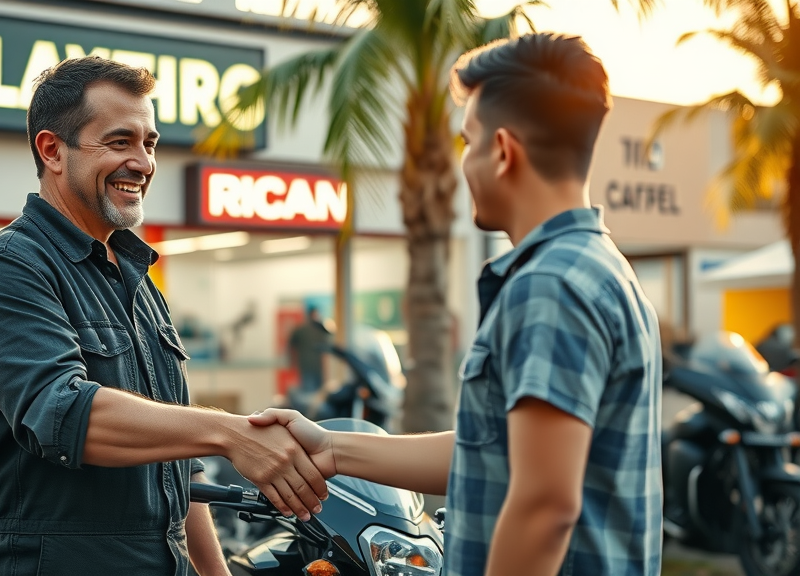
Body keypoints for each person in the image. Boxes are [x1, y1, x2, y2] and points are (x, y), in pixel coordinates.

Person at [251, 33, 663, 576]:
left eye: (468, 141)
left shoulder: (549, 285)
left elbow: (543, 506)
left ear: (504, 151)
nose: (462, 162)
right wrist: (331, 448)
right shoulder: (597, 268)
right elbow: (493, 453)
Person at [0, 57, 326, 576]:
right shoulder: (5, 271)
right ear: (52, 150)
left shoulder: (137, 281)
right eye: (120, 142)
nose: (143, 163)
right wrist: (230, 432)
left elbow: (177, 464)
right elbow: (64, 415)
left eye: (150, 143)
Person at [287, 306, 332, 393]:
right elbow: (291, 346)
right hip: (310, 368)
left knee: (312, 394)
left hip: (312, 368)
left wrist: (292, 363)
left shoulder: (318, 331)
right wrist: (292, 363)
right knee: (313, 394)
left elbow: (291, 346)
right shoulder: (305, 331)